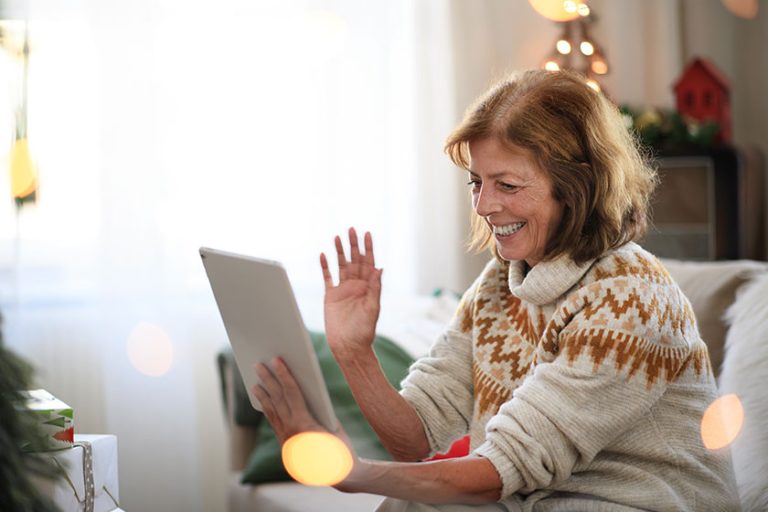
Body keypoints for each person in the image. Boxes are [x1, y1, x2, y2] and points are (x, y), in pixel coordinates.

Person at [252, 69, 740, 511]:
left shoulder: (632, 296)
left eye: (507, 185)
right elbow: (416, 439)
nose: (484, 205)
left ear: (576, 188)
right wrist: (353, 351)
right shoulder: (500, 285)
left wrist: (349, 472)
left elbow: (502, 470)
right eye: (476, 182)